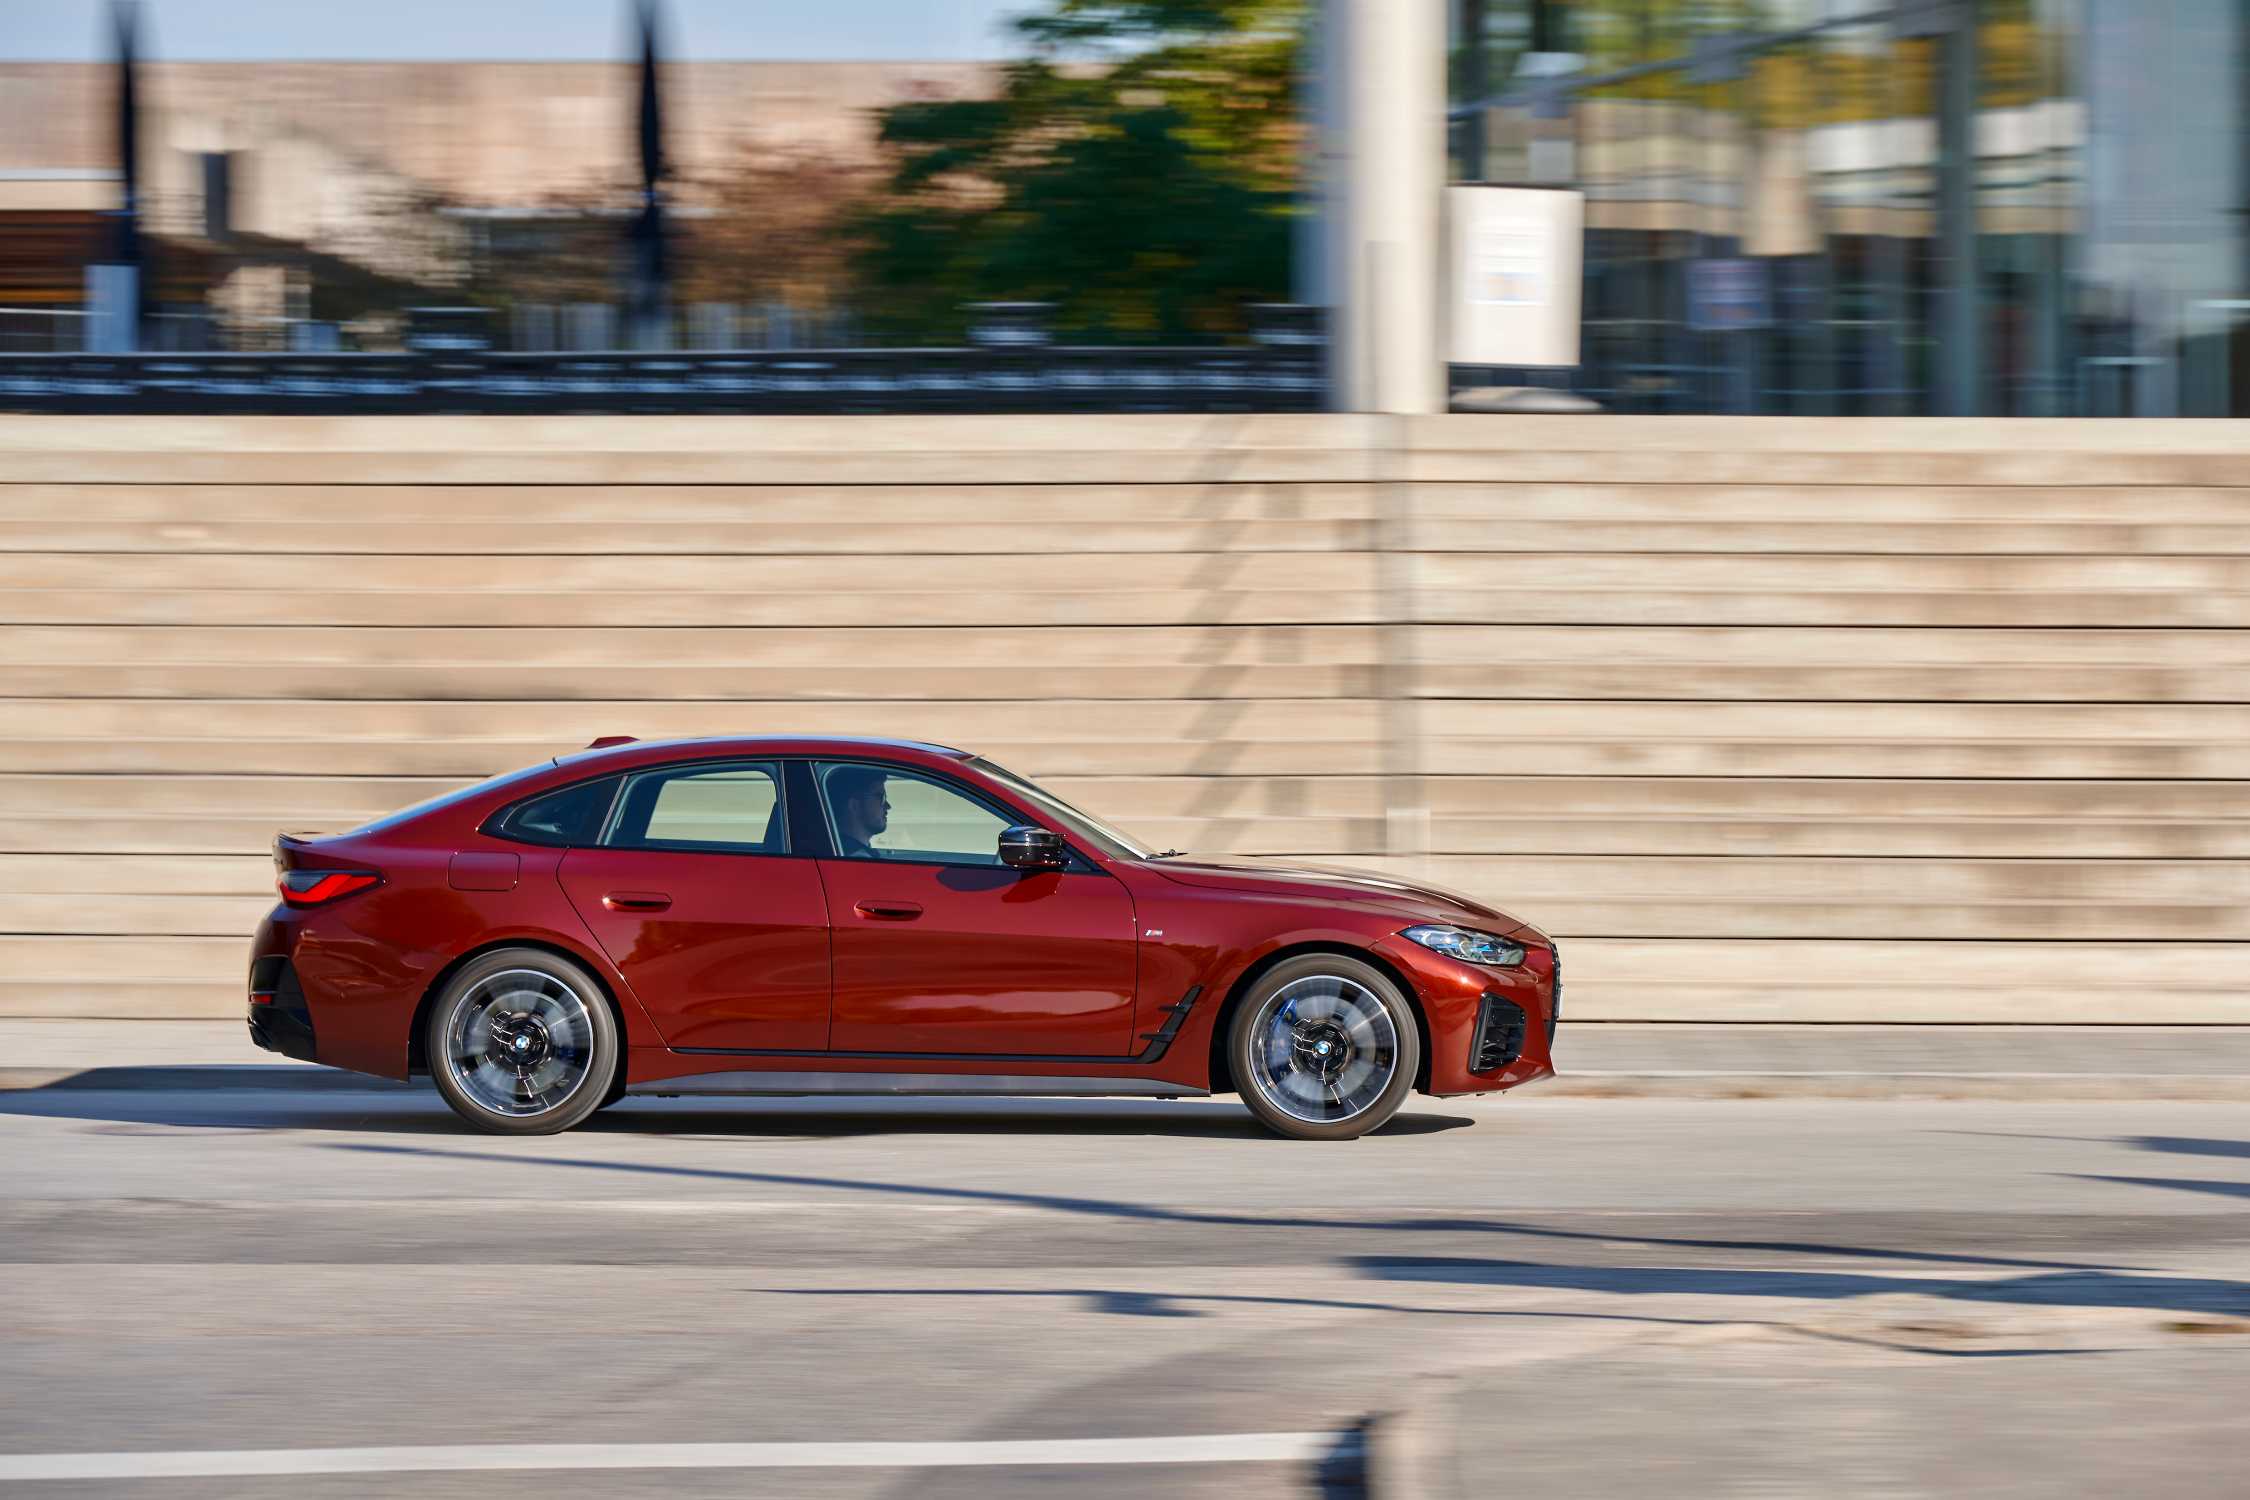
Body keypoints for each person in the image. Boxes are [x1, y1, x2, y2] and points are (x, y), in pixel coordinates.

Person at [831, 767, 891, 858]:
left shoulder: (842, 852)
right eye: (881, 797)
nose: (888, 806)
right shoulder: (854, 859)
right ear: (855, 805)